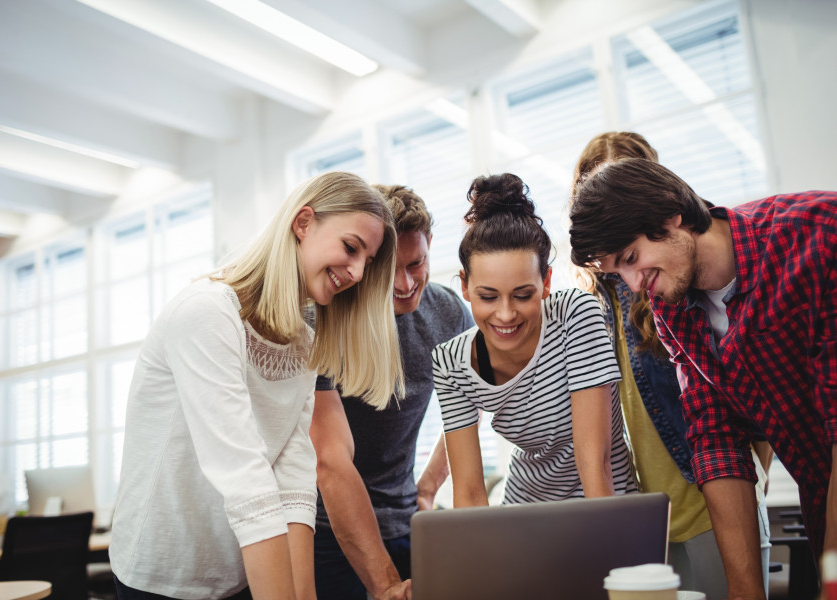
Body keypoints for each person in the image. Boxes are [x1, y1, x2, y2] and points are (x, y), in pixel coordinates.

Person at [109, 171, 405, 600]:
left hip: (237, 573)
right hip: (163, 574)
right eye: (351, 247)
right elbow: (245, 478)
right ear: (303, 223)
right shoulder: (207, 313)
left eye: (368, 261)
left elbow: (294, 479)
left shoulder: (303, 342)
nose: (358, 272)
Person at [569, 158, 837, 600]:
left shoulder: (816, 236)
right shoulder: (671, 307)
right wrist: (744, 591)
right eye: (619, 272)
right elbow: (716, 440)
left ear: (671, 215)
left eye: (632, 258)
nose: (635, 285)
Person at [432, 173, 637, 510]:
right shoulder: (451, 363)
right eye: (488, 297)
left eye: (523, 295)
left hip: (605, 505)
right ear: (465, 286)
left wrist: (607, 543)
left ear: (546, 282)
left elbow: (595, 463)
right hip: (525, 510)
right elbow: (468, 493)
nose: (506, 314)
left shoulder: (575, 314)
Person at [311, 184, 474, 600]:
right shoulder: (325, 318)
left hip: (407, 523)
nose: (404, 283)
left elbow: (471, 405)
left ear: (431, 246)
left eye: (416, 263)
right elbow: (328, 461)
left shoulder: (448, 312)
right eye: (389, 271)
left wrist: (428, 487)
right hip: (325, 530)